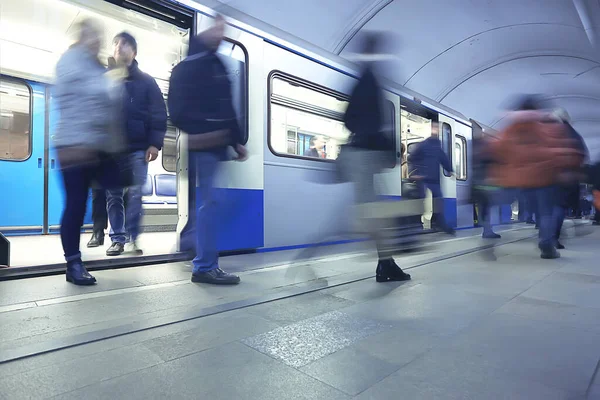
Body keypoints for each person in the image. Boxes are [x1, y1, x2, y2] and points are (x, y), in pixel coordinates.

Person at [168, 15, 248, 285]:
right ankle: (203, 265)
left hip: (218, 146)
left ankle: (199, 250)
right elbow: (177, 112)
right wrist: (204, 131)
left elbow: (228, 107)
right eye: (217, 28)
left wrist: (237, 140)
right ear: (207, 30)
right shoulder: (188, 67)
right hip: (204, 145)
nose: (220, 35)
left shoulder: (217, 65)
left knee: (216, 203)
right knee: (211, 203)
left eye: (224, 30)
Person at [54, 18, 126, 285]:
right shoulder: (71, 61)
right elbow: (91, 96)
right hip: (73, 145)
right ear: (82, 37)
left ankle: (114, 236)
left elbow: (108, 104)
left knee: (115, 186)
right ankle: (73, 264)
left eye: (99, 36)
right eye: (92, 35)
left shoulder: (97, 66)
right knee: (75, 205)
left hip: (95, 146)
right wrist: (114, 79)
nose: (97, 41)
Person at [340, 31, 411, 283]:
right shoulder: (369, 81)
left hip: (363, 157)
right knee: (371, 214)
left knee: (373, 212)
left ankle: (386, 263)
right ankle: (385, 263)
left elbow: (349, 119)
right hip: (365, 157)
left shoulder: (363, 79)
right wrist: (385, 149)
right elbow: (370, 124)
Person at [488, 96, 584, 259]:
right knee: (546, 212)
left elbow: (498, 150)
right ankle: (547, 242)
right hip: (544, 179)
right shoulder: (547, 128)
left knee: (532, 211)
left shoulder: (510, 130)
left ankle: (488, 233)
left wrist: (501, 173)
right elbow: (561, 151)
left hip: (520, 180)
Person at [105, 32, 167, 256]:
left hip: (138, 147)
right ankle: (117, 239)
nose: (118, 48)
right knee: (113, 196)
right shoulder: (106, 79)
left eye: (124, 44)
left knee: (135, 194)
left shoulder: (147, 81)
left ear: (134, 51)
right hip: (111, 149)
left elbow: (159, 114)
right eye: (115, 44)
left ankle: (132, 238)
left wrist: (155, 144)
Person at [551, 108, 587, 249]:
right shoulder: (574, 134)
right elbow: (582, 154)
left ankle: (547, 236)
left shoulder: (549, 132)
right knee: (559, 207)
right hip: (568, 177)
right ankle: (553, 238)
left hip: (550, 176)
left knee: (549, 207)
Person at [409, 125, 455, 234]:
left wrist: (450, 170)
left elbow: (444, 159)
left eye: (436, 128)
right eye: (434, 128)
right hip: (424, 178)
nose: (436, 130)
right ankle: (419, 225)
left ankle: (438, 225)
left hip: (431, 179)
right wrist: (415, 172)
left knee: (436, 202)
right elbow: (412, 158)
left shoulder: (436, 146)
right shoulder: (424, 145)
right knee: (424, 202)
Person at [471, 131, 501, 238]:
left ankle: (487, 229)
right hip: (485, 185)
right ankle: (487, 230)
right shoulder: (487, 152)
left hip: (478, 184)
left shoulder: (475, 150)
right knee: (486, 207)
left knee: (483, 207)